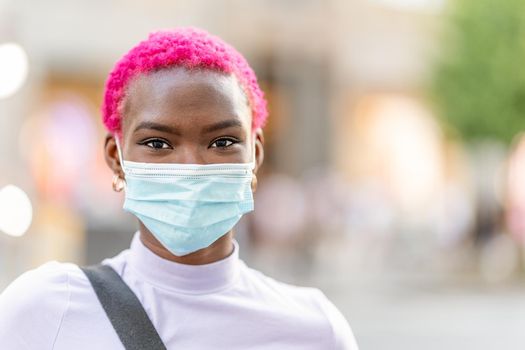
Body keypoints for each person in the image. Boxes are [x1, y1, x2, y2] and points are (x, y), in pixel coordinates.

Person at [0, 27, 358, 349]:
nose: (191, 169)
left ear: (256, 153)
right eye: (158, 143)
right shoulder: (47, 311)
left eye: (222, 142)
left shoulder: (316, 330)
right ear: (115, 157)